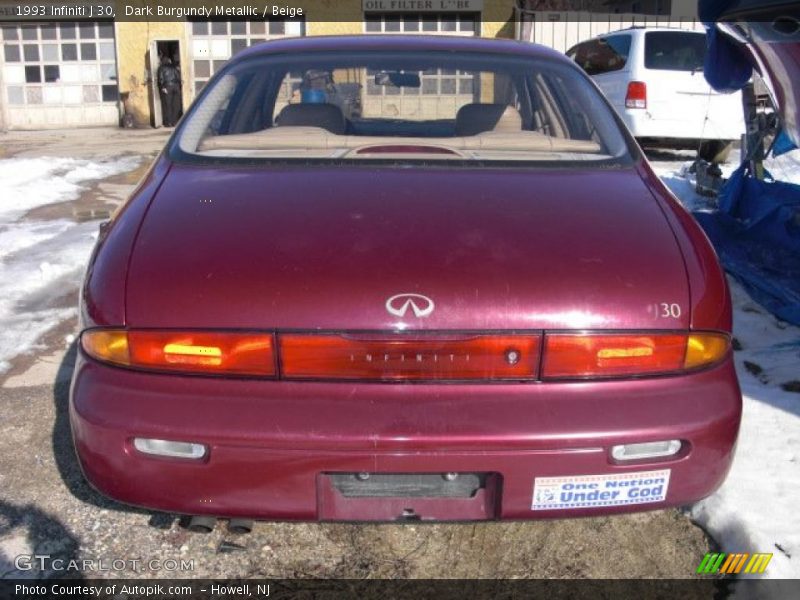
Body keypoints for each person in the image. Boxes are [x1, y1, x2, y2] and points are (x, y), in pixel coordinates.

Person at [157, 56, 181, 127]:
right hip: (176, 86)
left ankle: (168, 122)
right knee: (176, 105)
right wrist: (179, 86)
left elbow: (161, 79)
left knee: (168, 105)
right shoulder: (174, 67)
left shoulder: (161, 68)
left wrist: (162, 87)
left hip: (167, 87)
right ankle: (175, 121)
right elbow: (178, 77)